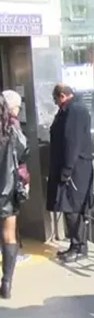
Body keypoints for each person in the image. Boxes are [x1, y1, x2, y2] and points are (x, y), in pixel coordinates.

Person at [46, 84, 94, 263]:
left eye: (56, 99)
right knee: (71, 208)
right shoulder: (73, 109)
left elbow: (71, 141)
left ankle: (79, 246)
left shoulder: (74, 111)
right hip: (75, 166)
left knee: (72, 207)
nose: (56, 103)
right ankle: (76, 244)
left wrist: (66, 170)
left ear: (62, 96)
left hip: (75, 168)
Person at [0, 92, 28, 299]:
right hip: (7, 190)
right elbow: (22, 153)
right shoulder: (13, 129)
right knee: (9, 235)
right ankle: (7, 283)